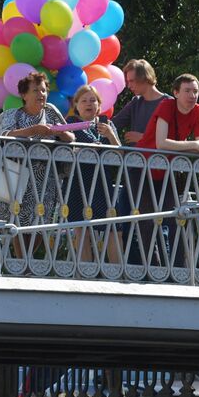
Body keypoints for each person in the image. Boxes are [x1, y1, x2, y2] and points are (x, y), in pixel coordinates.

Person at [0, 72, 75, 249]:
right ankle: (23, 266)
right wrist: (32, 130)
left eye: (44, 90)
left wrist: (60, 132)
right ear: (24, 94)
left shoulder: (51, 111)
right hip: (14, 176)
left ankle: (27, 262)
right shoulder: (11, 115)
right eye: (36, 90)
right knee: (16, 223)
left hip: (44, 179)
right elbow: (3, 135)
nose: (41, 94)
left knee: (40, 222)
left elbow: (70, 136)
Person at [138, 74, 199, 269]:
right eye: (187, 91)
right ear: (176, 92)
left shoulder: (198, 111)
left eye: (195, 91)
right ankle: (153, 270)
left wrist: (195, 146)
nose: (192, 95)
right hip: (143, 168)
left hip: (168, 170)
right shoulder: (167, 106)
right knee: (146, 220)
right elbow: (162, 143)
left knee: (175, 217)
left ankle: (177, 270)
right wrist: (193, 144)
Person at [114, 59, 168, 266]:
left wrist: (142, 137)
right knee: (130, 218)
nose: (129, 85)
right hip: (135, 170)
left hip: (158, 171)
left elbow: (173, 137)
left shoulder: (167, 103)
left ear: (145, 78)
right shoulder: (136, 103)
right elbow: (115, 122)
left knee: (156, 220)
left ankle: (160, 270)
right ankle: (138, 268)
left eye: (132, 81)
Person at [65, 84, 122, 266]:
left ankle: (115, 271)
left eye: (93, 100)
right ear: (76, 105)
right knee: (82, 228)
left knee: (113, 226)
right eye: (84, 100)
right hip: (78, 181)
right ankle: (86, 271)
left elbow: (121, 154)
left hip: (102, 182)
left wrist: (111, 135)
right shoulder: (71, 125)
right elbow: (65, 151)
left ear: (99, 104)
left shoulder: (106, 124)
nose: (89, 104)